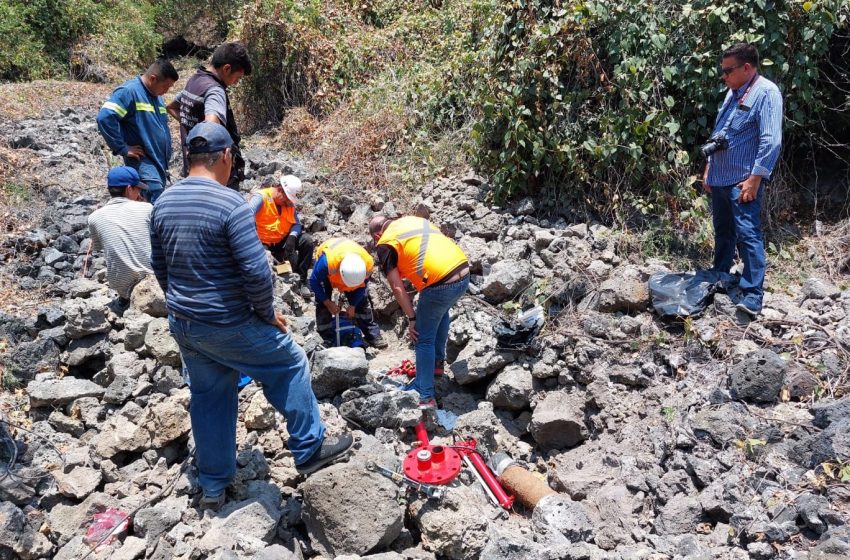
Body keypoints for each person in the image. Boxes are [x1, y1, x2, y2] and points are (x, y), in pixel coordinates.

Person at [149, 122, 352, 511]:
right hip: (228, 322)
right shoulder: (230, 204)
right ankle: (309, 449)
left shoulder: (163, 201)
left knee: (210, 395)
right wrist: (265, 314)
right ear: (225, 156)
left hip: (186, 324)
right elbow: (257, 273)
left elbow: (161, 268)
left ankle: (212, 484)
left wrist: (183, 303)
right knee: (290, 362)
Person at [702, 42, 783, 317]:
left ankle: (752, 296)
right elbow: (720, 133)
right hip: (721, 178)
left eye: (728, 70)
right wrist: (709, 168)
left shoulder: (766, 93)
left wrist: (755, 179)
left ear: (746, 67)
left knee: (748, 235)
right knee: (724, 231)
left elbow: (771, 141)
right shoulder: (732, 93)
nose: (723, 76)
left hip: (743, 182)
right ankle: (720, 275)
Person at [369, 215, 470, 409]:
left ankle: (424, 395)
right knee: (440, 313)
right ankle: (437, 365)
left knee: (422, 338)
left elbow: (397, 287)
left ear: (377, 234)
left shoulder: (385, 242)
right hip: (463, 273)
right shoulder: (413, 221)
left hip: (440, 283)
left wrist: (412, 318)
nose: (377, 244)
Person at [168, 42, 251, 190]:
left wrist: (191, 126)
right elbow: (210, 128)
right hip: (215, 174)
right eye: (237, 78)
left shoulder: (195, 80)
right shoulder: (215, 91)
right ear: (227, 68)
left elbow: (172, 107)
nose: (236, 83)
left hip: (194, 167)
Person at [96, 59, 178, 203]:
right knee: (152, 200)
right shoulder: (129, 92)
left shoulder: (157, 97)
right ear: (153, 79)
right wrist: (122, 148)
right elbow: (105, 117)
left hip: (159, 163)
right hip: (144, 164)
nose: (167, 91)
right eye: (165, 86)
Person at [87, 167, 153, 305]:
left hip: (121, 288)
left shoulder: (94, 218)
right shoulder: (147, 209)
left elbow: (102, 247)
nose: (140, 192)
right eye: (138, 189)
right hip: (152, 283)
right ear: (129, 189)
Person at [310, 237, 387, 349]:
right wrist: (328, 303)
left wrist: (353, 305)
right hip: (330, 263)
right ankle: (326, 337)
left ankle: (372, 335)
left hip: (352, 273)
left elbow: (362, 287)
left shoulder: (368, 264)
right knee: (322, 301)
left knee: (362, 300)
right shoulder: (327, 263)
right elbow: (314, 281)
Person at [250, 175, 314, 296]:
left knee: (307, 241)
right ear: (279, 190)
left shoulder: (289, 205)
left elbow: (296, 224)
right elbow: (247, 215)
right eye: (286, 200)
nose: (288, 203)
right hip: (261, 243)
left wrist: (292, 236)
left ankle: (302, 281)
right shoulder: (261, 197)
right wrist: (254, 241)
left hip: (281, 242)